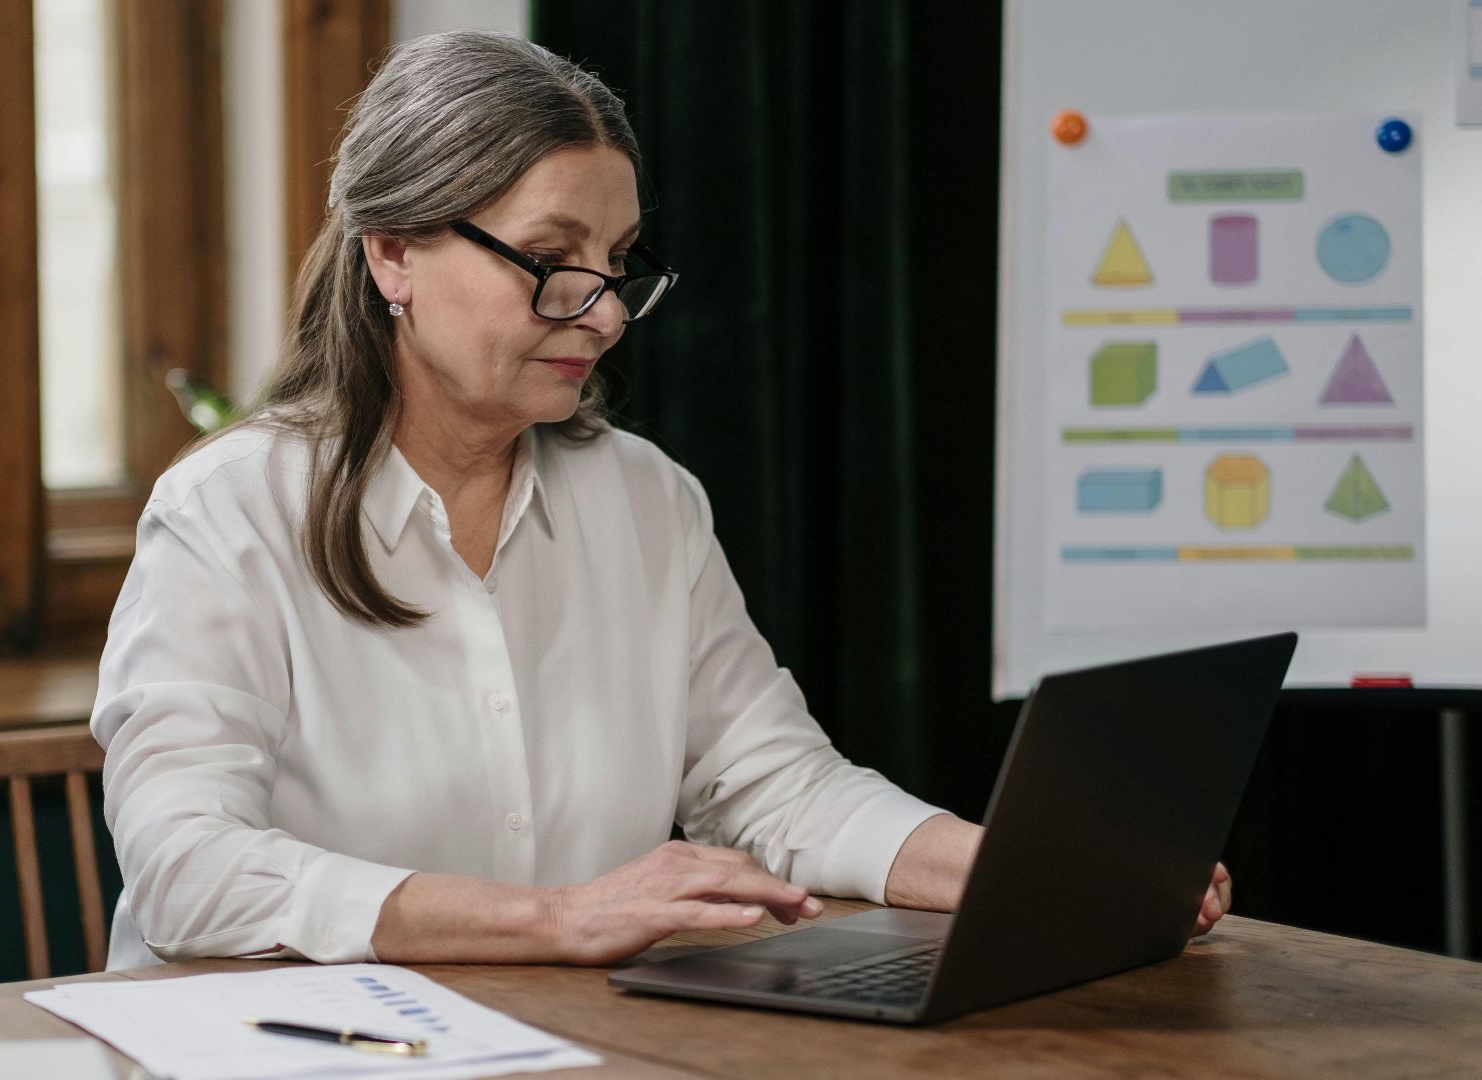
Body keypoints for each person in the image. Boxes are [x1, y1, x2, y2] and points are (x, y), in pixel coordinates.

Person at [92, 29, 1232, 970]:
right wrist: (553, 920)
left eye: (622, 262)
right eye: (552, 258)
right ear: (393, 254)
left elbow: (778, 788)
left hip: (558, 1049)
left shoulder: (646, 500)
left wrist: (1028, 873)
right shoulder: (228, 512)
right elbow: (186, 871)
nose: (599, 312)